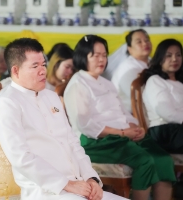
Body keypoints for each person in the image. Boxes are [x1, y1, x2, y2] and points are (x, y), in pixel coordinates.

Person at [0, 38, 127, 200]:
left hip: (78, 184)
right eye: (35, 66)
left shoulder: (51, 96)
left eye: (43, 64)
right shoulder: (8, 102)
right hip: (46, 190)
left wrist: (91, 178)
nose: (43, 71)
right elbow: (21, 157)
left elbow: (72, 142)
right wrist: (65, 184)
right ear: (15, 71)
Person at [64, 35, 176, 200]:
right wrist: (122, 133)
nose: (101, 59)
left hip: (121, 136)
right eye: (95, 55)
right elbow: (86, 125)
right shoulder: (78, 84)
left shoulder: (107, 83)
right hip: (95, 142)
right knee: (144, 160)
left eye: (104, 55)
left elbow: (123, 112)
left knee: (163, 159)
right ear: (83, 57)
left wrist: (133, 126)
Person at [142, 39, 183, 153]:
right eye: (169, 55)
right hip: (164, 131)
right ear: (160, 59)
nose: (174, 59)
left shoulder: (179, 82)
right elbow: (166, 113)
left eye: (178, 55)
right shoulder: (155, 81)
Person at [111, 29, 152, 112]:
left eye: (147, 40)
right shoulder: (127, 68)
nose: (145, 43)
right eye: (139, 42)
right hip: (128, 116)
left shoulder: (152, 62)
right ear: (129, 49)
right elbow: (138, 97)